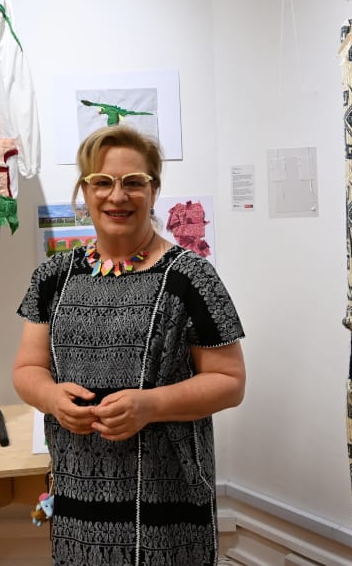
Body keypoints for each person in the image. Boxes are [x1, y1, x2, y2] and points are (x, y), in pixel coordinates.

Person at [14, 125, 246, 565]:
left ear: (154, 190)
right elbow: (27, 369)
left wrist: (149, 406)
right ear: (84, 191)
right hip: (79, 495)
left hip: (167, 501)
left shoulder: (191, 277)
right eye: (102, 182)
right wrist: (50, 397)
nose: (116, 196)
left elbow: (230, 382)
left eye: (133, 182)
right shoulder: (52, 278)